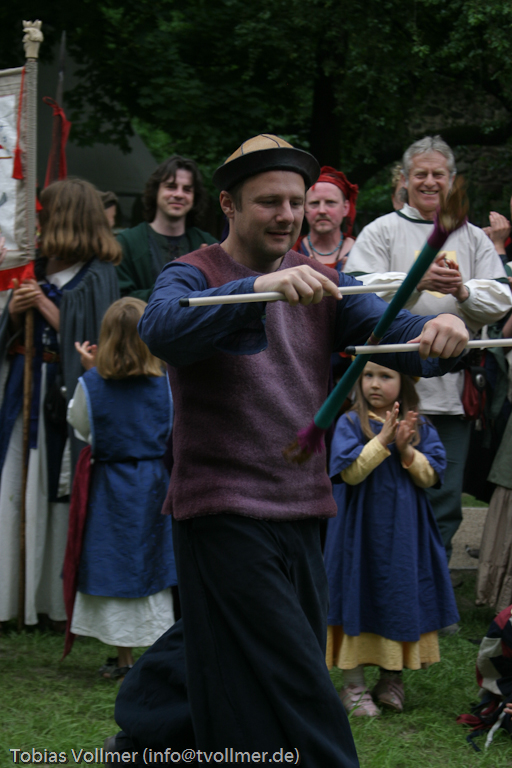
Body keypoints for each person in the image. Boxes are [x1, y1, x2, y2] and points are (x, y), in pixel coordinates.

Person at [136, 133, 468, 764]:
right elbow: (162, 329)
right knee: (296, 673)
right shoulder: (193, 272)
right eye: (269, 202)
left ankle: (141, 736)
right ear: (229, 205)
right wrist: (261, 289)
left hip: (305, 508)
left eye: (295, 201)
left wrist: (439, 326)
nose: (287, 215)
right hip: (222, 509)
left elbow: (392, 331)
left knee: (232, 648)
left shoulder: (325, 281)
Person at [344, 135, 512, 562]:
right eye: (421, 173)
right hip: (386, 386)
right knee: (382, 483)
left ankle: (435, 577)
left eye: (439, 174)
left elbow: (501, 297)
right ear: (404, 179)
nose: (430, 182)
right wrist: (415, 281)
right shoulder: (381, 230)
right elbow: (355, 291)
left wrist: (463, 290)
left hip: (452, 389)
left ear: (451, 180)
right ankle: (381, 573)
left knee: (442, 489)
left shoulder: (472, 238)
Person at [0, 178, 120, 628]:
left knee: (56, 493)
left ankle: (49, 602)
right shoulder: (29, 266)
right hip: (22, 386)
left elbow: (98, 345)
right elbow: (7, 329)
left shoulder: (99, 274)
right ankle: (8, 599)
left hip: (64, 396)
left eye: (45, 214)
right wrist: (15, 311)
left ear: (65, 217)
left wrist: (48, 308)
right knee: (14, 484)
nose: (38, 221)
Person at [324, 361, 458, 717]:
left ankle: (391, 678)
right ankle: (353, 684)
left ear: (405, 383)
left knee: (398, 592)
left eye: (386, 376)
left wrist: (407, 450)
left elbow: (431, 477)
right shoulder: (350, 422)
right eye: (368, 375)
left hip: (403, 532)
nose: (374, 383)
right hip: (358, 532)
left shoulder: (419, 426)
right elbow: (350, 474)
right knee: (356, 591)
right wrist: (382, 441)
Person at [66, 297, 176, 680]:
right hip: (152, 484)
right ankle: (148, 654)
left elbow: (82, 426)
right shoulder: (167, 384)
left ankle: (124, 656)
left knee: (114, 562)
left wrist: (92, 373)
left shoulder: (90, 385)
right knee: (150, 562)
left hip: (109, 486)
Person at [116, 156, 217, 301]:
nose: (179, 194)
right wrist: (173, 288)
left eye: (187, 189)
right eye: (171, 187)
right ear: (156, 191)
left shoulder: (209, 245)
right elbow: (119, 301)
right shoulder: (127, 243)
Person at [293, 165, 358, 271]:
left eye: (330, 202)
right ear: (304, 208)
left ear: (345, 208)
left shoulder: (362, 251)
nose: (322, 210)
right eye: (314, 203)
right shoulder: (289, 252)